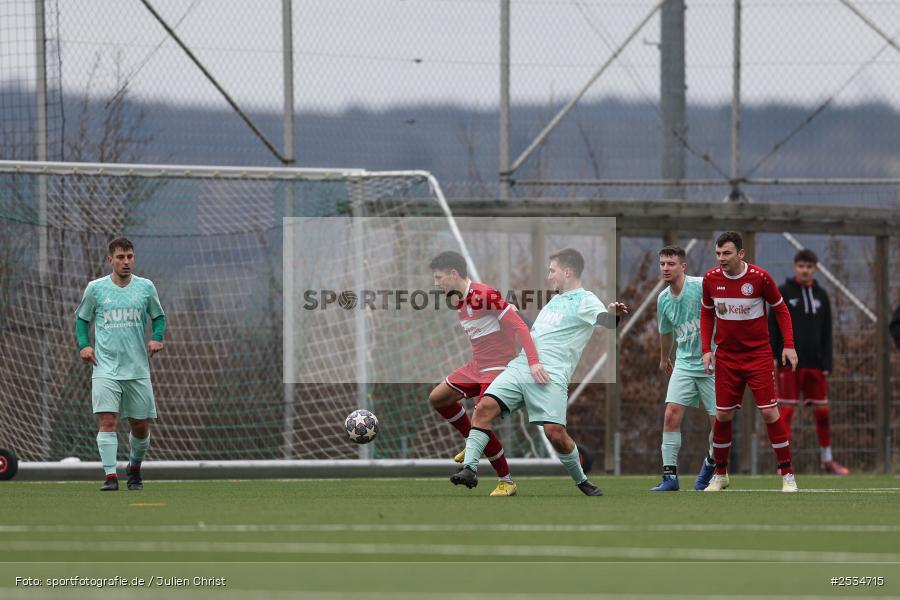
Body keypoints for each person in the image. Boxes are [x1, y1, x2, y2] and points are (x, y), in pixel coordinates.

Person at [450, 247, 627, 496]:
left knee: (555, 434)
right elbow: (536, 333)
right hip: (523, 366)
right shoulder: (554, 301)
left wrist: (613, 314)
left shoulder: (585, 299)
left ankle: (582, 481)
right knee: (483, 408)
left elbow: (606, 322)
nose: (549, 276)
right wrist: (514, 313)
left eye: (552, 270)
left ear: (567, 272)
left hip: (550, 376)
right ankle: (469, 469)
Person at [428, 250, 548, 497]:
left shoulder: (484, 294)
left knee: (481, 416)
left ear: (454, 274)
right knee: (437, 398)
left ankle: (506, 481)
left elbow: (520, 326)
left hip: (498, 368)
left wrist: (534, 362)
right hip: (477, 367)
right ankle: (472, 442)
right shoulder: (459, 300)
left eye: (439, 277)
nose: (435, 283)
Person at [700, 231, 799, 493]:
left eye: (727, 253)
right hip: (727, 358)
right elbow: (707, 314)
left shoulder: (759, 278)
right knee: (723, 414)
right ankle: (720, 475)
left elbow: (780, 309)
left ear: (741, 254)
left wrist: (788, 345)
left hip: (757, 356)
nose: (721, 258)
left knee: (769, 412)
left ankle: (788, 475)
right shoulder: (710, 279)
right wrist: (706, 350)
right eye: (718, 253)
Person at [75, 237, 166, 491]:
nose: (126, 262)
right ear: (110, 260)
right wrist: (84, 345)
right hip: (105, 367)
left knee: (140, 425)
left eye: (130, 257)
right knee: (108, 420)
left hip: (137, 368)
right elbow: (82, 320)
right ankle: (110, 477)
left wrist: (157, 338)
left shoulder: (146, 287)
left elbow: (159, 317)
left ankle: (134, 468)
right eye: (121, 257)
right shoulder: (96, 289)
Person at [769, 249, 848, 475]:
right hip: (788, 363)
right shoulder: (783, 292)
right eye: (801, 266)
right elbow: (772, 326)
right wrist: (775, 355)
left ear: (815, 268)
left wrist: (827, 363)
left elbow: (827, 331)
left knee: (822, 411)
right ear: (795, 267)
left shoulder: (822, 295)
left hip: (815, 363)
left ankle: (827, 459)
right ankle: (784, 464)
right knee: (786, 413)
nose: (805, 270)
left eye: (809, 266)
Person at [653, 246, 717, 492]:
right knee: (671, 414)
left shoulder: (701, 287)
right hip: (684, 364)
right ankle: (670, 477)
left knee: (719, 425)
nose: (666, 268)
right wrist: (663, 358)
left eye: (671, 263)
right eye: (662, 264)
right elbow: (666, 332)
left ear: (683, 266)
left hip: (712, 364)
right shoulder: (663, 299)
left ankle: (710, 467)